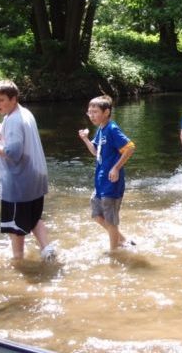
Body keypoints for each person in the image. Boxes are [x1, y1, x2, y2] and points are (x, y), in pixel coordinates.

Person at [0, 80, 55, 261]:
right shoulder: (24, 112)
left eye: (2, 100)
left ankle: (18, 262)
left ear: (14, 99)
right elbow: (19, 136)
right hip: (36, 179)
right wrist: (1, 128)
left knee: (15, 226)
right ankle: (47, 249)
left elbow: (13, 153)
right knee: (34, 218)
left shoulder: (13, 120)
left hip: (19, 184)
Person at [78, 95, 136, 251]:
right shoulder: (101, 129)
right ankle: (123, 240)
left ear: (106, 112)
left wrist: (116, 168)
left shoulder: (112, 128)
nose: (91, 115)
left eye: (95, 112)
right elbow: (96, 152)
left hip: (112, 183)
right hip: (101, 181)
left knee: (111, 221)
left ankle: (114, 252)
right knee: (97, 215)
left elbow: (130, 147)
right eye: (89, 112)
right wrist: (85, 139)